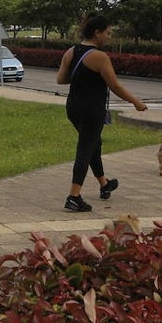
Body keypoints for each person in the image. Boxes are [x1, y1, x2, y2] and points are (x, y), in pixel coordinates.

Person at [55, 14, 148, 213]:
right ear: (97, 32)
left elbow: (61, 79)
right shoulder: (99, 56)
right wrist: (136, 102)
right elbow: (114, 85)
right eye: (108, 33)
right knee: (85, 149)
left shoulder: (71, 52)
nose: (109, 37)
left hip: (73, 107)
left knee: (93, 144)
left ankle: (104, 184)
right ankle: (73, 196)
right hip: (92, 109)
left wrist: (82, 78)